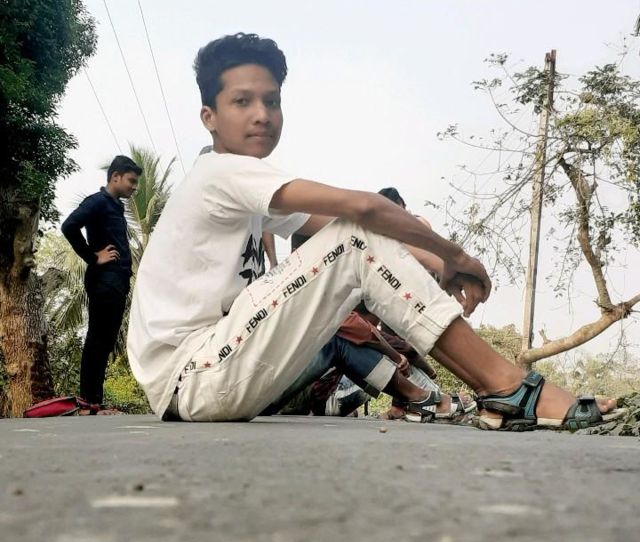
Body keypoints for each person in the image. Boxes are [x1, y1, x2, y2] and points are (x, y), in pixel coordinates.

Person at [127, 33, 621, 432]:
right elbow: (362, 210)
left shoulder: (241, 186)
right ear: (209, 118)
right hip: (194, 375)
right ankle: (507, 387)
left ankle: (500, 391)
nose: (262, 114)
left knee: (356, 237)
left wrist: (433, 263)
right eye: (242, 101)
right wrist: (456, 257)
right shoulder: (219, 173)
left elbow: (343, 229)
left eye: (271, 101)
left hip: (210, 374)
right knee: (357, 234)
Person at [61, 155, 143, 407]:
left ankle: (95, 400)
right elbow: (69, 226)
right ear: (115, 177)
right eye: (131, 181)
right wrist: (93, 257)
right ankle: (89, 401)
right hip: (104, 281)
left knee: (106, 341)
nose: (134, 187)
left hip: (118, 282)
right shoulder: (97, 202)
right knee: (97, 339)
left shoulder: (116, 206)